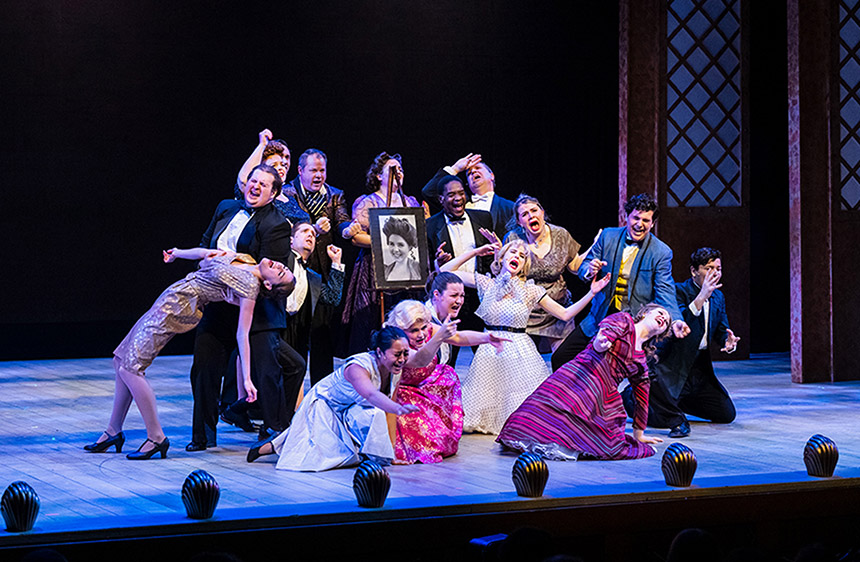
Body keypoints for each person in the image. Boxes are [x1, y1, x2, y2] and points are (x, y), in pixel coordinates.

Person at [85, 248, 294, 460]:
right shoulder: (245, 259)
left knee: (131, 369)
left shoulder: (249, 286)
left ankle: (156, 438)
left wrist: (247, 379)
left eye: (281, 273)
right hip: (171, 295)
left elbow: (243, 333)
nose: (280, 266)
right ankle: (113, 431)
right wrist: (178, 254)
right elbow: (206, 254)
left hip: (178, 306)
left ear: (268, 285)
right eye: (283, 266)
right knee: (120, 358)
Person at [441, 240, 611, 434]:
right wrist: (477, 252)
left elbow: (565, 314)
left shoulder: (531, 290)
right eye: (513, 252)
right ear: (502, 257)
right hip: (490, 349)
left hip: (518, 348)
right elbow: (446, 272)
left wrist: (591, 292)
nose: (517, 257)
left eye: (522, 256)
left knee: (527, 416)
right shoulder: (486, 283)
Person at [187, 164, 293, 452]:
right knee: (204, 367)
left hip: (254, 306)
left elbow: (266, 273)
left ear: (273, 194)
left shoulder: (277, 224)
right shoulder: (225, 207)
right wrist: (205, 263)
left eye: (263, 184)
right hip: (219, 303)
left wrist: (226, 264)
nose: (255, 187)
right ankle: (203, 435)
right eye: (252, 181)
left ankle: (274, 432)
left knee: (267, 370)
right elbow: (205, 243)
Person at [497, 304, 671, 460]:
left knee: (605, 440)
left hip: (603, 394)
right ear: (645, 313)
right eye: (661, 312)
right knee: (553, 405)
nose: (663, 317)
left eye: (667, 321)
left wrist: (638, 433)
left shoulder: (641, 361)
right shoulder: (623, 320)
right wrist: (601, 342)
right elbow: (605, 335)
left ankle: (569, 442)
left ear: (662, 334)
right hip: (582, 371)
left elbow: (642, 398)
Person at [220, 220, 345, 430]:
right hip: (268, 321)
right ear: (290, 240)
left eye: (313, 235)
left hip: (291, 327)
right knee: (270, 375)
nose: (310, 236)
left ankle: (270, 420)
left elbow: (332, 298)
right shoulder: (279, 260)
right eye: (304, 231)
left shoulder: (312, 277)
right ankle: (271, 424)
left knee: (292, 369)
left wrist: (336, 263)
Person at [246, 326, 420, 471]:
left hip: (349, 409)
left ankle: (373, 458)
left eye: (406, 354)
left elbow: (421, 360)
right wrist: (397, 408)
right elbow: (371, 395)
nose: (402, 359)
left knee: (374, 416)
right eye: (397, 354)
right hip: (324, 405)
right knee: (321, 458)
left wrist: (392, 455)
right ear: (379, 352)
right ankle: (264, 448)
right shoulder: (358, 367)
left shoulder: (394, 370)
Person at [551, 193, 690, 371]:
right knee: (561, 358)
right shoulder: (608, 236)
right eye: (636, 218)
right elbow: (584, 266)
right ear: (627, 217)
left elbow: (665, 292)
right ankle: (564, 398)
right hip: (598, 318)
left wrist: (676, 320)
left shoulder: (661, 252)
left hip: (630, 325)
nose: (640, 224)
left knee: (607, 373)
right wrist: (589, 270)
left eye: (646, 220)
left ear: (652, 223)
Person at [622, 247, 740, 438]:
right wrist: (701, 296)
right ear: (694, 271)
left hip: (698, 370)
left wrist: (727, 341)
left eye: (718, 269)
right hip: (674, 366)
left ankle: (675, 401)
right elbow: (679, 326)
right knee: (659, 421)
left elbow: (721, 329)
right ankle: (631, 396)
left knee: (726, 414)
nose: (715, 273)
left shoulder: (718, 297)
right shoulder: (678, 292)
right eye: (709, 268)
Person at [385, 300, 507, 464]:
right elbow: (419, 360)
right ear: (401, 330)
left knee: (447, 374)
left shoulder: (429, 330)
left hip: (424, 386)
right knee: (422, 442)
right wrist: (438, 337)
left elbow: (458, 337)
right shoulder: (396, 344)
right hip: (401, 395)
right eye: (414, 331)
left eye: (423, 328)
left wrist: (486, 337)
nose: (421, 334)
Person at [340, 152, 424, 355]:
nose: (398, 174)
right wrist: (391, 243)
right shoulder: (369, 202)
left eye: (401, 170)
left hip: (405, 268)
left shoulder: (410, 202)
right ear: (378, 175)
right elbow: (357, 238)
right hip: (374, 267)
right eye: (392, 169)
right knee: (373, 318)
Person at [282, 149, 353, 383]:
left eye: (322, 170)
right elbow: (289, 224)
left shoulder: (334, 195)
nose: (318, 175)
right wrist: (313, 227)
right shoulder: (287, 193)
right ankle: (292, 392)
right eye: (313, 170)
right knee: (296, 334)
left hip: (321, 273)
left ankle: (322, 391)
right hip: (295, 269)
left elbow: (342, 221)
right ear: (301, 171)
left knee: (322, 335)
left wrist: (347, 230)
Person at [504, 194, 598, 351]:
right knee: (525, 363)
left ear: (542, 212)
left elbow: (574, 267)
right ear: (519, 221)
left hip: (557, 308)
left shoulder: (560, 235)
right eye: (525, 214)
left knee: (562, 359)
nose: (531, 215)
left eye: (534, 210)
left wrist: (594, 247)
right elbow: (506, 272)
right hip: (526, 311)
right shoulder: (513, 238)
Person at [426, 174, 494, 346]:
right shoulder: (430, 226)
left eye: (461, 193)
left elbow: (490, 259)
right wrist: (438, 263)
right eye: (451, 195)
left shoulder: (483, 218)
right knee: (446, 356)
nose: (458, 198)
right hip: (448, 300)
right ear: (441, 199)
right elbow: (427, 268)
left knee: (483, 352)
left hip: (477, 297)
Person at [422, 153, 514, 240]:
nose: (473, 171)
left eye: (478, 168)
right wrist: (455, 169)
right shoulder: (458, 203)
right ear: (467, 184)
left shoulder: (510, 207)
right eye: (469, 173)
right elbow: (429, 192)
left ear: (492, 175)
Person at [234, 129, 309, 225]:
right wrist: (262, 145)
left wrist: (316, 229)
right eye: (274, 166)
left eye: (283, 163)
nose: (282, 166)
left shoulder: (290, 199)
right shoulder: (258, 194)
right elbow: (244, 181)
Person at [382, 217, 421, 281]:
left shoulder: (419, 268)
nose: (395, 249)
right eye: (391, 244)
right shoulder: (385, 271)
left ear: (410, 247)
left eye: (400, 245)